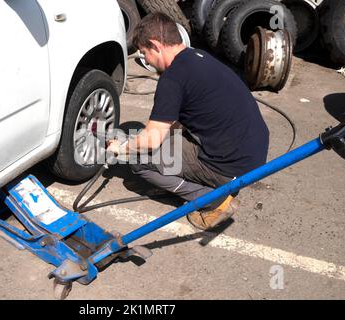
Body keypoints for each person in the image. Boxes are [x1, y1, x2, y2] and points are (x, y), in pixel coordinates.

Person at [107, 12, 269, 231]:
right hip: (253, 154)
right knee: (166, 140)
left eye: (145, 53)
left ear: (156, 45)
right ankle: (192, 180)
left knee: (138, 160)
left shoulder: (172, 79)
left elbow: (151, 141)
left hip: (230, 165)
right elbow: (184, 117)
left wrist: (123, 147)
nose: (146, 61)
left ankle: (213, 200)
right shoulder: (197, 57)